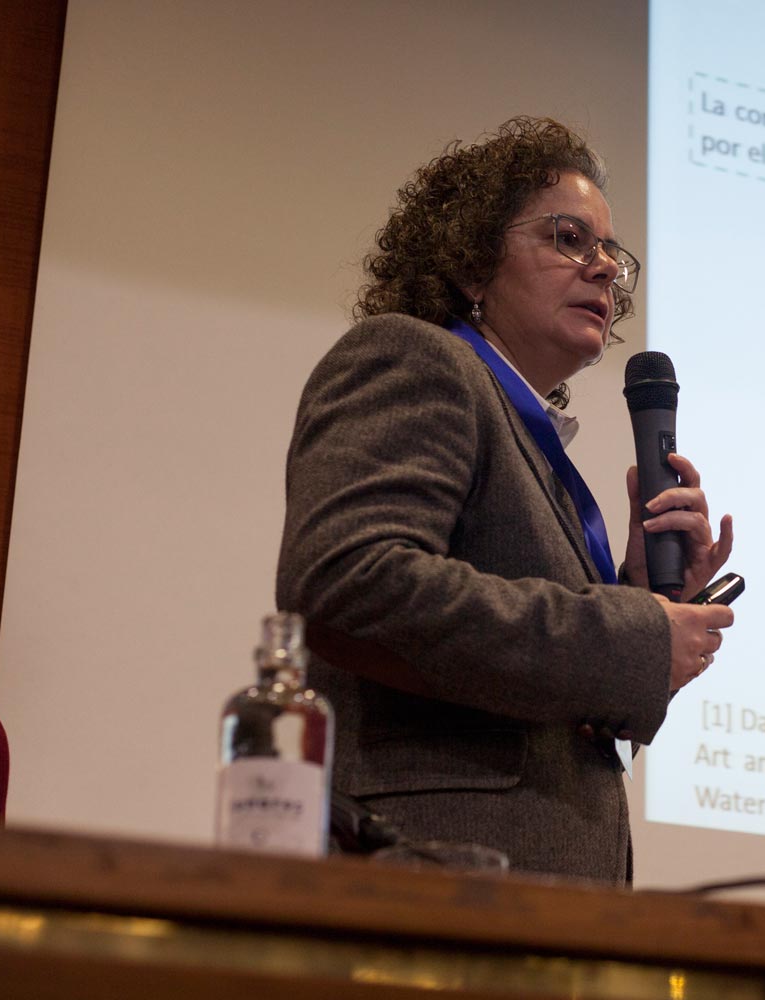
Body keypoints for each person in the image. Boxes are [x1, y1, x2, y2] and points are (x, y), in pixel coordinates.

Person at [275, 117, 734, 883]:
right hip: (428, 889)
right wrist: (635, 636)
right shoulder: (414, 358)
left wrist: (645, 597)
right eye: (568, 238)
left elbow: (542, 705)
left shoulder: (533, 445)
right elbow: (350, 581)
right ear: (471, 263)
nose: (603, 271)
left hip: (547, 907)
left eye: (611, 255)